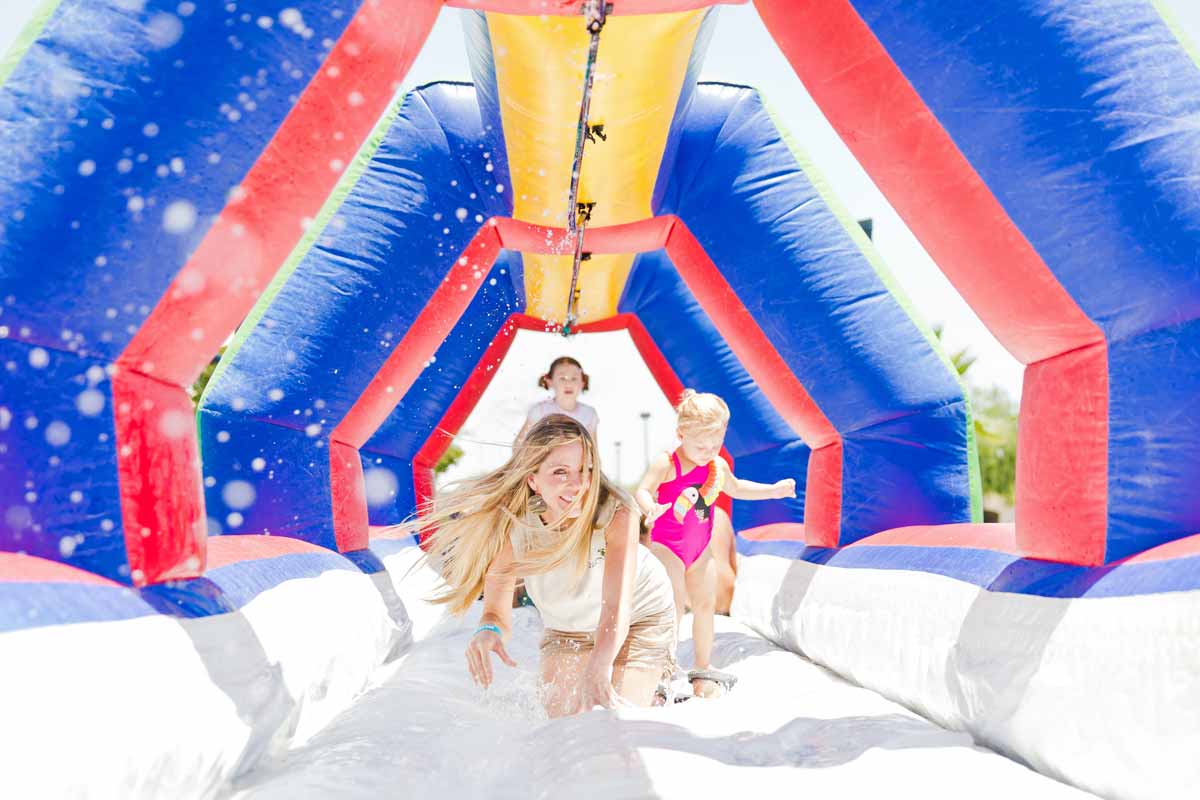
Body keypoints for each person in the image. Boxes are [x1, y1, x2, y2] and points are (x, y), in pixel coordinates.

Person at [404, 414, 675, 717]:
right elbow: (495, 609)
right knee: (561, 724)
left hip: (638, 616)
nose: (578, 485)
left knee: (615, 717)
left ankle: (657, 690)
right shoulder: (516, 525)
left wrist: (599, 667)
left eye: (585, 470)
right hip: (567, 629)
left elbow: (615, 606)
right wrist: (490, 629)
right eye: (560, 472)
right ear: (533, 480)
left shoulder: (616, 512)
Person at [635, 390, 795, 699]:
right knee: (674, 605)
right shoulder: (667, 463)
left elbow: (737, 489)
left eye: (716, 443)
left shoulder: (717, 466)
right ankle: (662, 671)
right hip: (668, 546)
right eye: (700, 445)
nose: (708, 450)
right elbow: (644, 489)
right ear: (681, 434)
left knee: (705, 605)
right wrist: (648, 506)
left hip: (700, 549)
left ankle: (702, 667)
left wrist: (772, 490)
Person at [515, 356, 598, 442]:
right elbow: (519, 445)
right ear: (549, 381)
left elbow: (593, 450)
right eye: (562, 378)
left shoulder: (589, 414)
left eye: (574, 378)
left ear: (582, 382)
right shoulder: (540, 411)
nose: (568, 384)